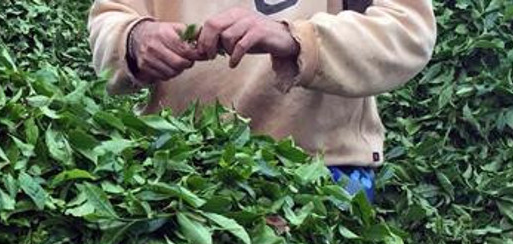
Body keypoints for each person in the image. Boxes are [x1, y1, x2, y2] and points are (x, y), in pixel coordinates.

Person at [88, 1, 436, 202]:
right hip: (173, 164)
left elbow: (406, 31)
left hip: (316, 168)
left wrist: (299, 39)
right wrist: (133, 39)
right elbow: (110, 17)